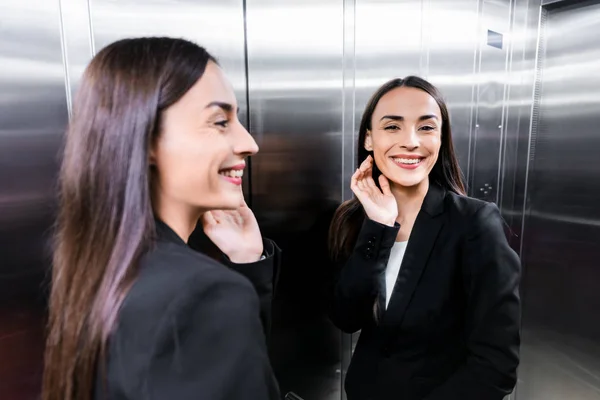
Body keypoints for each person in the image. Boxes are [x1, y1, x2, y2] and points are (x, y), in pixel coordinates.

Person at [42, 37, 280, 400]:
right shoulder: (201, 293)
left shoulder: (100, 266)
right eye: (220, 121)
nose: (249, 142)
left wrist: (247, 262)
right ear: (148, 139)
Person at [328, 76, 521, 400]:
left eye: (427, 127)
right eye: (392, 127)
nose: (411, 141)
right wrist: (379, 227)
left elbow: (496, 366)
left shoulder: (474, 223)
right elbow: (346, 318)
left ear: (441, 138)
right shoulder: (354, 219)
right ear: (368, 139)